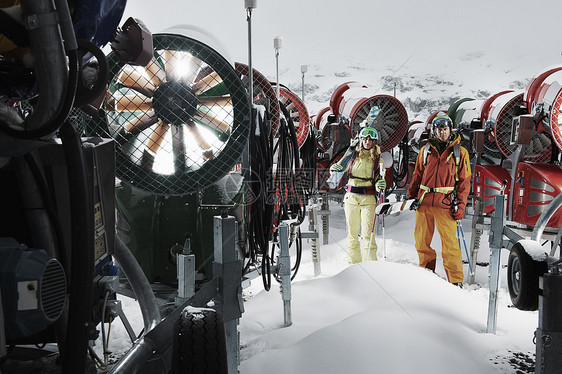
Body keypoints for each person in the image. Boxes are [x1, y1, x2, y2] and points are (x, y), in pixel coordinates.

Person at [406, 113, 471, 286]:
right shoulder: (426, 150)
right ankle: (426, 274)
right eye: (439, 130)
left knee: (450, 244)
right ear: (434, 131)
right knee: (421, 241)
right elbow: (417, 174)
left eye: (445, 129)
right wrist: (410, 195)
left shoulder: (460, 153)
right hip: (424, 202)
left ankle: (455, 281)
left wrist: (461, 206)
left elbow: (464, 183)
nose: (442, 133)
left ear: (450, 130)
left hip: (446, 204)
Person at [330, 126, 387, 264]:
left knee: (369, 235)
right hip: (351, 198)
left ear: (374, 142)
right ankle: (354, 266)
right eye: (365, 139)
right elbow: (338, 169)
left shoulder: (378, 160)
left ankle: (371, 264)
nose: (367, 142)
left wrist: (380, 185)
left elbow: (380, 177)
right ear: (360, 140)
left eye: (370, 139)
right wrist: (334, 169)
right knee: (352, 235)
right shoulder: (351, 156)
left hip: (368, 198)